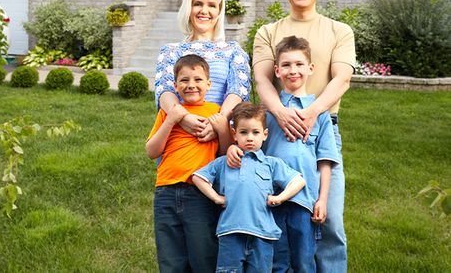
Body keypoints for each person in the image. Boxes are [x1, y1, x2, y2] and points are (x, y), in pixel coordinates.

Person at [234, 0, 355, 272]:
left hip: (322, 129)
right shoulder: (268, 32)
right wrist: (280, 112)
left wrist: (314, 112)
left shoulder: (338, 31)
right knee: (275, 218)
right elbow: (261, 78)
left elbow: (341, 78)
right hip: (276, 134)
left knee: (328, 221)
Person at [192, 102, 305, 273]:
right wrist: (216, 197)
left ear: (265, 135)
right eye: (243, 132)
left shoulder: (271, 164)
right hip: (230, 231)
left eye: (255, 132)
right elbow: (198, 177)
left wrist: (279, 198)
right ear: (234, 134)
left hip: (262, 234)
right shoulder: (225, 162)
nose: (250, 138)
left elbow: (298, 181)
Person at [261, 36, 341, 273]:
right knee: (276, 261)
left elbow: (324, 162)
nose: (292, 70)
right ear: (276, 70)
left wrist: (323, 199)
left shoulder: (320, 115)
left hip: (305, 201)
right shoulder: (268, 113)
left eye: (298, 64)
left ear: (310, 68)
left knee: (304, 262)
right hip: (272, 201)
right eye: (286, 65)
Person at [146, 54, 224, 272]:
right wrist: (172, 118)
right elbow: (151, 151)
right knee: (170, 257)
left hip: (199, 193)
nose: (191, 85)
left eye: (198, 80)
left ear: (209, 84)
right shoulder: (169, 113)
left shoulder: (215, 113)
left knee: (203, 254)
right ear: (175, 85)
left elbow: (224, 151)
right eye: (184, 80)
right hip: (166, 191)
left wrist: (222, 129)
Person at [154, 0, 251, 154]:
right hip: (180, 139)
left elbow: (237, 91)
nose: (204, 11)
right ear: (188, 8)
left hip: (221, 139)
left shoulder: (233, 51)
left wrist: (218, 124)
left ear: (219, 12)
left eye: (212, 5)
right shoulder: (171, 51)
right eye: (197, 4)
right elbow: (165, 91)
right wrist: (184, 119)